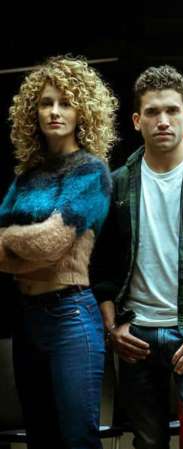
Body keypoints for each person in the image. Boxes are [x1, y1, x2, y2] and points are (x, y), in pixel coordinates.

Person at [93, 65, 183, 449]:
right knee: (148, 441)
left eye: (172, 110)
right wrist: (113, 327)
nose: (163, 120)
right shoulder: (118, 182)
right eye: (152, 112)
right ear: (136, 121)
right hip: (136, 334)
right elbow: (101, 265)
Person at [0, 55, 117, 449]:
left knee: (77, 440)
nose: (54, 112)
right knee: (41, 439)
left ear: (82, 111)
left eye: (65, 103)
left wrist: (9, 238)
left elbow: (51, 244)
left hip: (71, 317)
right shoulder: (26, 177)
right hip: (26, 319)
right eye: (46, 103)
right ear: (32, 112)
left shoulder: (90, 171)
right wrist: (27, 244)